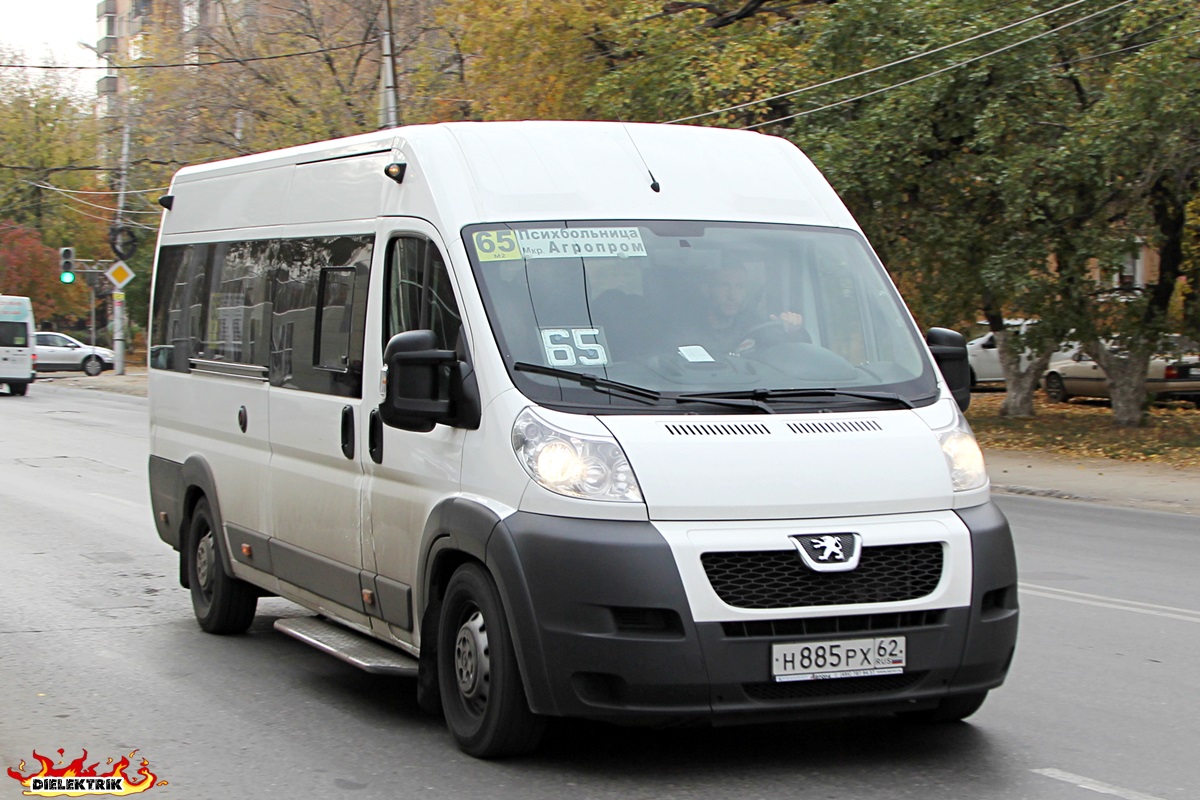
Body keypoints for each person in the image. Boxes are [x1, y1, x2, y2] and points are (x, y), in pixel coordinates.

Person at [689, 262, 804, 356]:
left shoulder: (756, 326)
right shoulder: (687, 330)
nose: (732, 295)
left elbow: (786, 356)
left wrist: (791, 332)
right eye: (724, 285)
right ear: (708, 290)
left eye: (740, 286)